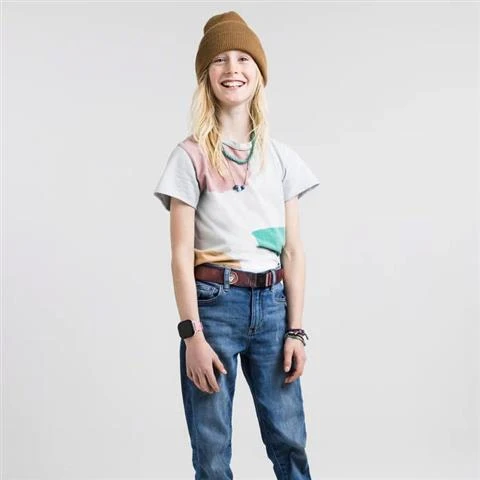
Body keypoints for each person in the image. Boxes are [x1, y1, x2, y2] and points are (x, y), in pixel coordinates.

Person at [153, 10, 319, 480]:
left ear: (259, 73)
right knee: (211, 450)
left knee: (289, 439)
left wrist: (295, 330)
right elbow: (181, 255)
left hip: (273, 307)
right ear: (206, 75)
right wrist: (192, 335)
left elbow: (293, 251)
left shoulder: (280, 158)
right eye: (220, 60)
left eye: (244, 58)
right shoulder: (189, 157)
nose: (232, 69)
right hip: (214, 308)